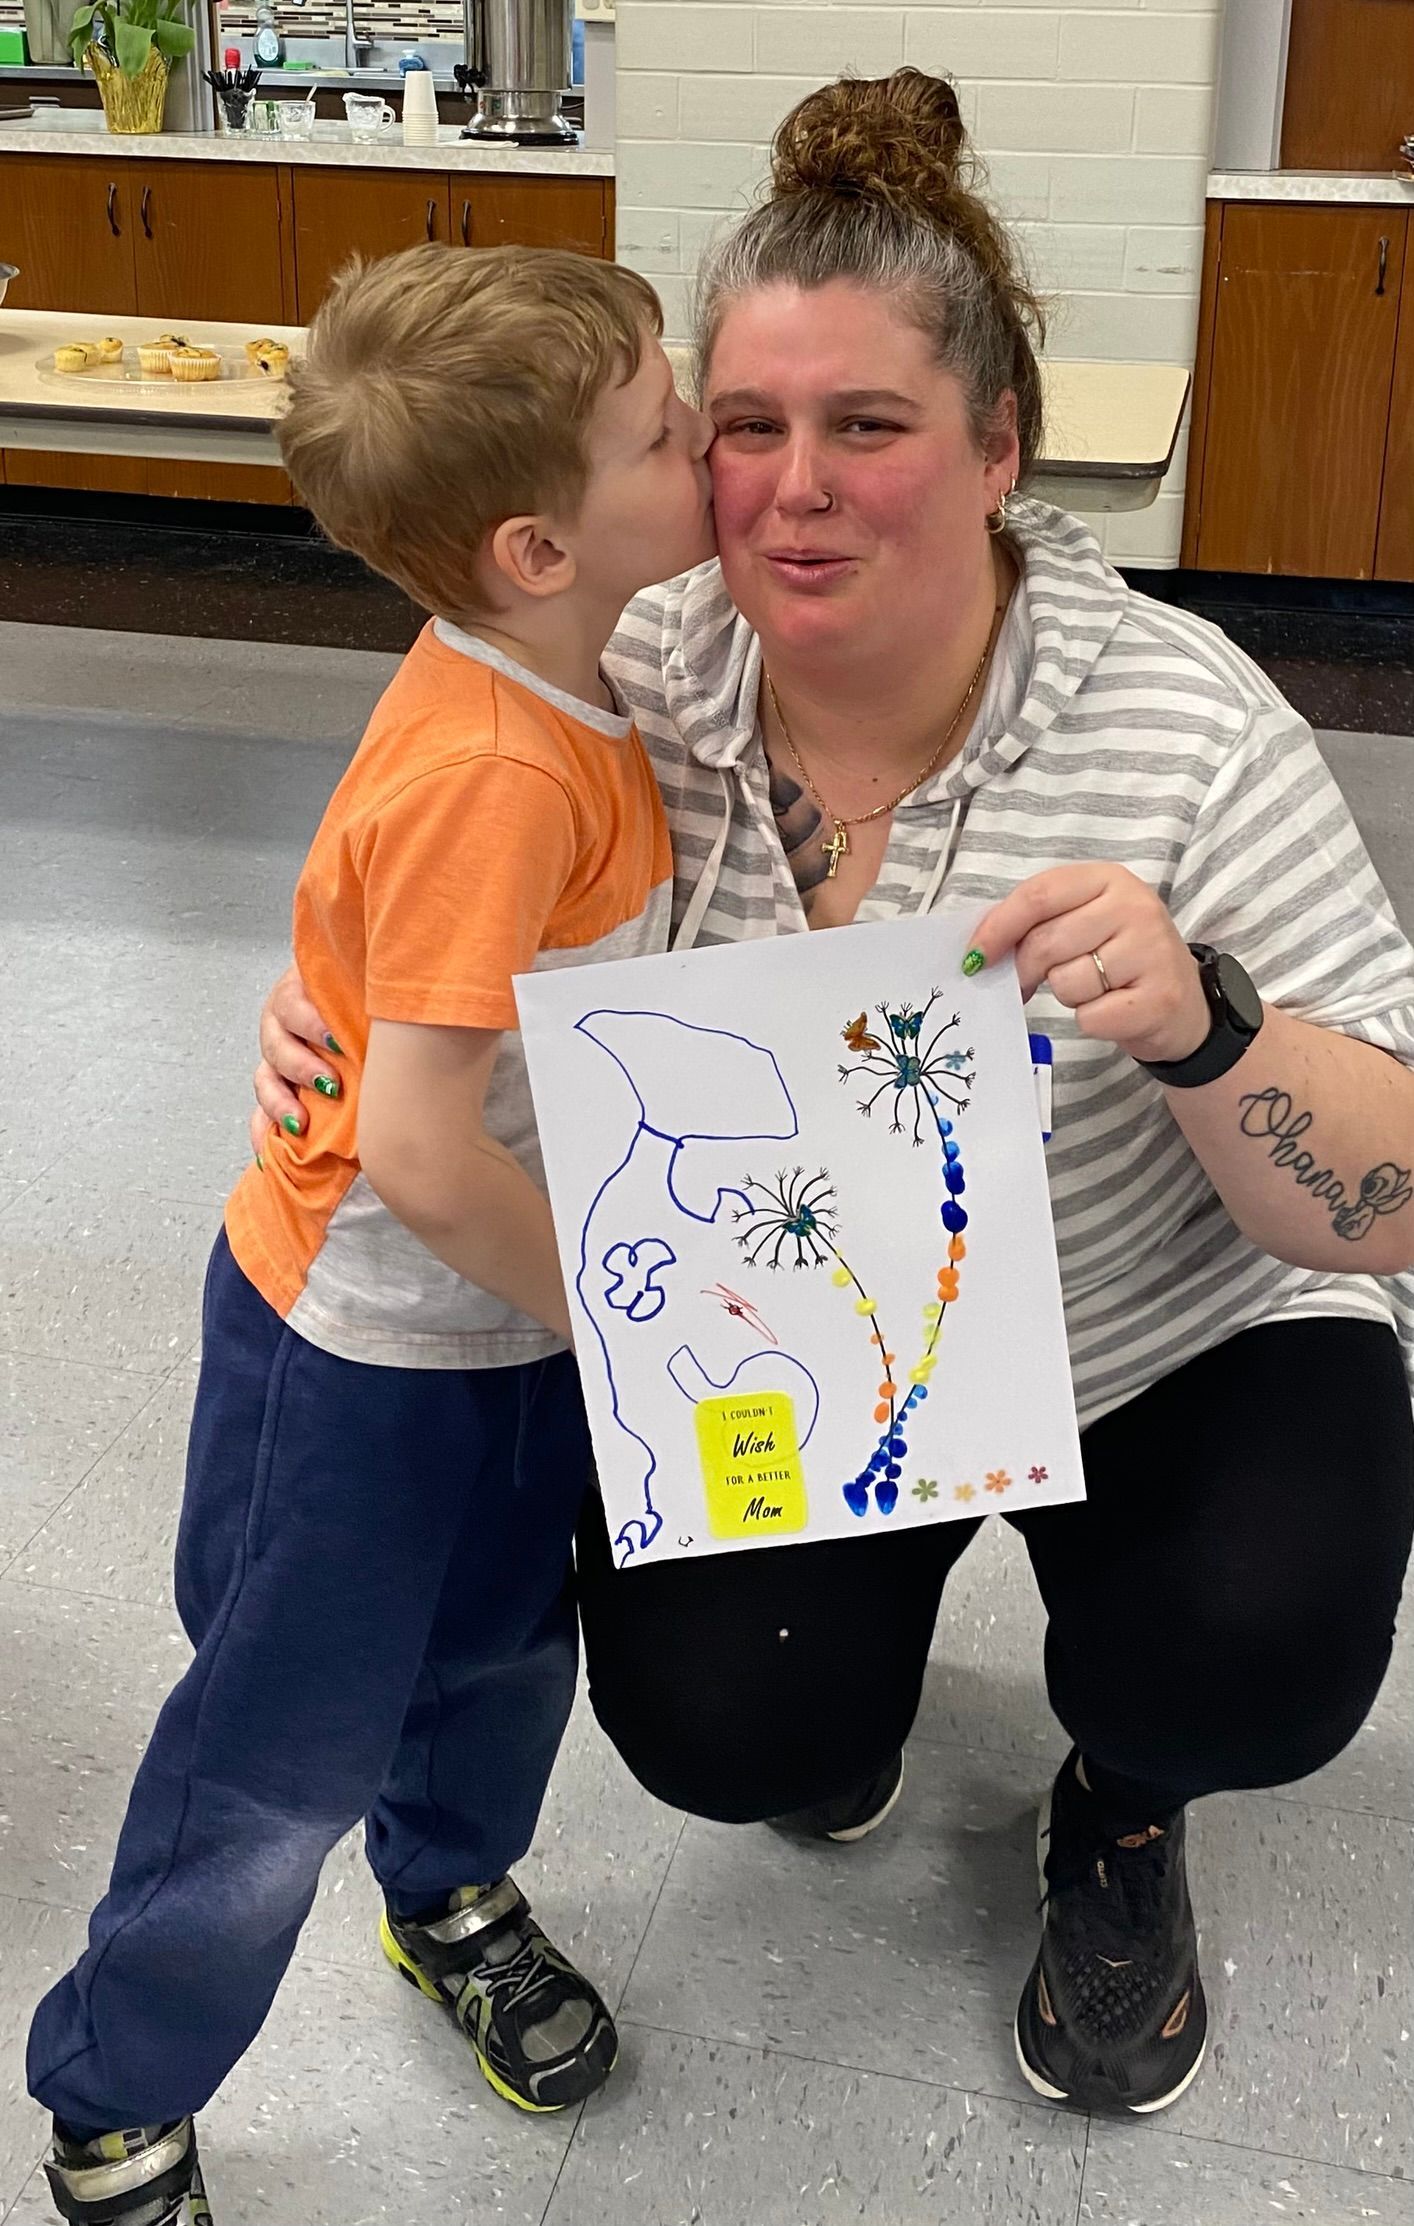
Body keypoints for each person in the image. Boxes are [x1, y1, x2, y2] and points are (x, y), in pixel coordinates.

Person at [251, 71, 1414, 2123]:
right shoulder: (629, 657)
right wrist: (327, 990)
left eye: (865, 427)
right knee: (723, 1734)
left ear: (995, 452)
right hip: (811, 1344)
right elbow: (421, 813)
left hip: (1164, 1333)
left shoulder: (1178, 720)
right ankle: (846, 1706)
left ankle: (1123, 1807)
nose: (790, 488)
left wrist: (1205, 1025)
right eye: (743, 429)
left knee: (1244, 1651)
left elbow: (1388, 1200)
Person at [29, 241, 716, 2225]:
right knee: (269, 1753)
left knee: (503, 1659)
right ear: (531, 545)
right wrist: (619, 1314)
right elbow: (415, 1144)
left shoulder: (557, 671)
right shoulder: (503, 763)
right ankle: (115, 2097)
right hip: (370, 1346)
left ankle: (449, 1894)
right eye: (665, 435)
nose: (702, 456)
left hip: (500, 1328)